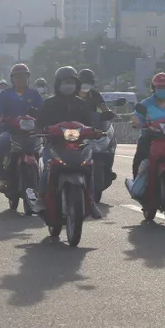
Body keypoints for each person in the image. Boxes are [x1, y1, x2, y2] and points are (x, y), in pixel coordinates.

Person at [34, 66, 103, 219]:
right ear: (58, 84)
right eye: (65, 82)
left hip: (78, 146)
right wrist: (40, 130)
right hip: (55, 145)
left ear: (76, 84)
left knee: (89, 168)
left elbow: (89, 124)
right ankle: (41, 198)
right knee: (47, 168)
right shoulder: (49, 103)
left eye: (71, 82)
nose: (68, 85)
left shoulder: (81, 103)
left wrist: (95, 131)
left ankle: (90, 201)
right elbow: (39, 123)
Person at [0, 63, 45, 193]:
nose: (21, 79)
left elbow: (44, 111)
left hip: (31, 132)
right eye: (17, 76)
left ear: (28, 78)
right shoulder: (5, 94)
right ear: (12, 79)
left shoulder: (34, 94)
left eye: (23, 76)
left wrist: (43, 123)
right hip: (10, 131)